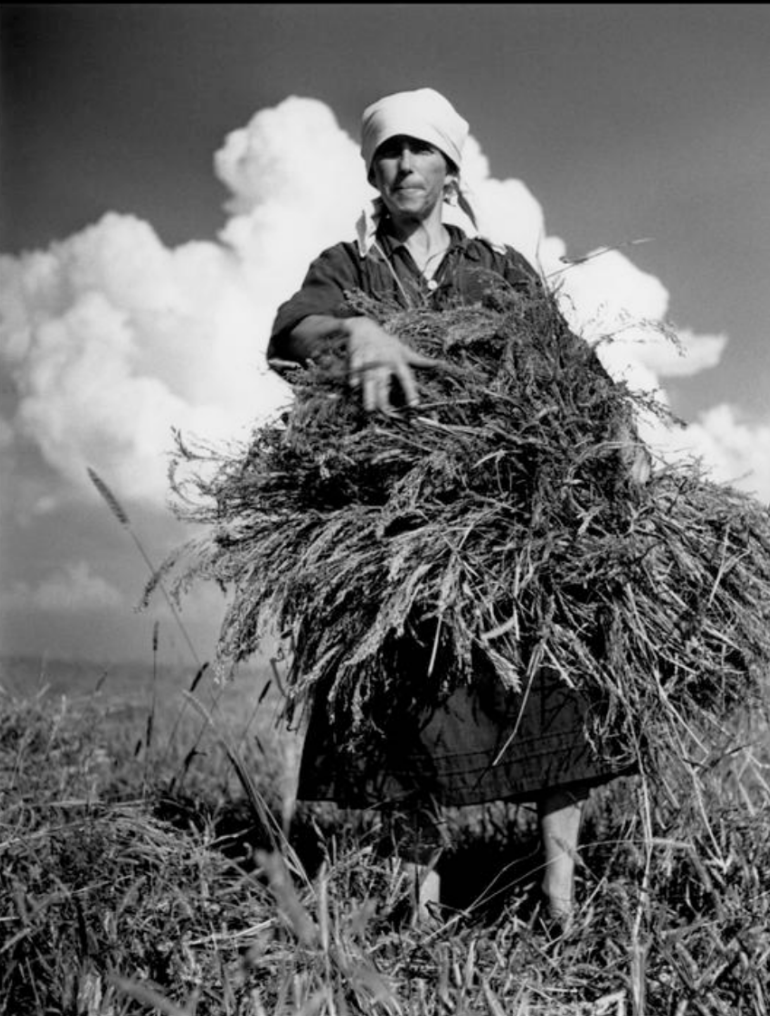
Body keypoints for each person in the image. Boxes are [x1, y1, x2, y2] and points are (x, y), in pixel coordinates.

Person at [267, 87, 640, 929]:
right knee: (409, 696)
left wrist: (618, 426)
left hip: (508, 513)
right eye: (388, 152)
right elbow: (292, 330)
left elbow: (567, 361)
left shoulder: (498, 267)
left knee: (551, 684)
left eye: (418, 150)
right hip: (393, 521)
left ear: (448, 167)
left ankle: (559, 900)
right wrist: (355, 335)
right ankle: (421, 907)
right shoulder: (351, 267)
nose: (403, 164)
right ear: (373, 169)